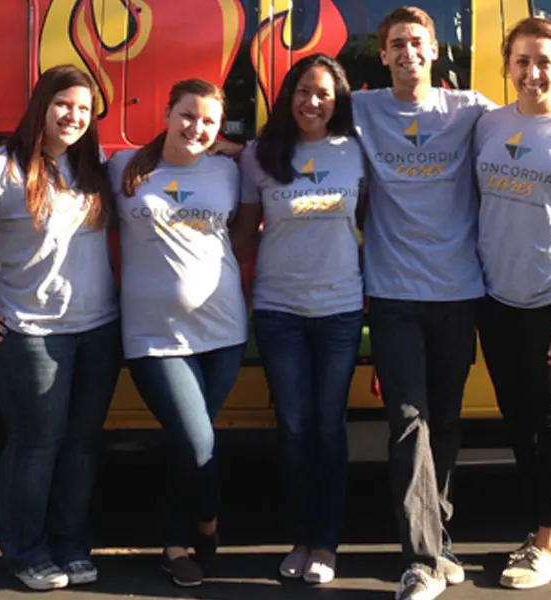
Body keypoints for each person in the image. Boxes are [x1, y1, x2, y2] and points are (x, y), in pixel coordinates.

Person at [350, 7, 495, 600]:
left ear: (435, 51)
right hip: (391, 294)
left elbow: (532, 141)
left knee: (447, 422)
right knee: (408, 423)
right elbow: (288, 125)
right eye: (395, 44)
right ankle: (422, 561)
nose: (407, 52)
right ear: (382, 55)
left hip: (459, 292)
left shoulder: (474, 110)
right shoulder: (361, 109)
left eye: (417, 42)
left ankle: (440, 534)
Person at [232, 53, 365, 584]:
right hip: (278, 309)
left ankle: (326, 546)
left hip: (339, 309)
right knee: (293, 428)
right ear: (288, 96)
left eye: (324, 94)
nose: (313, 102)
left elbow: (374, 223)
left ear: (339, 101)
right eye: (304, 91)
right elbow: (243, 232)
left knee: (328, 428)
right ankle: (301, 539)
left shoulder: (357, 150)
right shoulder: (259, 155)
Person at [108, 79, 247, 588]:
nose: (197, 127)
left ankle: (174, 542)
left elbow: (249, 223)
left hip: (224, 331)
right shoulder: (123, 167)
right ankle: (206, 527)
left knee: (189, 441)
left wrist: (239, 146)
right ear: (167, 112)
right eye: (188, 115)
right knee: (196, 440)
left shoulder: (229, 171)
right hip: (154, 337)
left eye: (208, 120)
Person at [0, 64, 121, 590]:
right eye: (64, 104)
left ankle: (70, 545)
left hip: (98, 330)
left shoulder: (94, 165)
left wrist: (232, 149)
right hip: (29, 332)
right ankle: (25, 551)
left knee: (81, 444)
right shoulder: (3, 169)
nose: (74, 116)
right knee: (35, 444)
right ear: (41, 105)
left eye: (85, 109)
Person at [475, 16, 551, 590]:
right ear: (507, 64)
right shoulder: (489, 124)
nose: (532, 72)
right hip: (495, 299)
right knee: (517, 417)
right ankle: (546, 527)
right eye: (522, 60)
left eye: (544, 61)